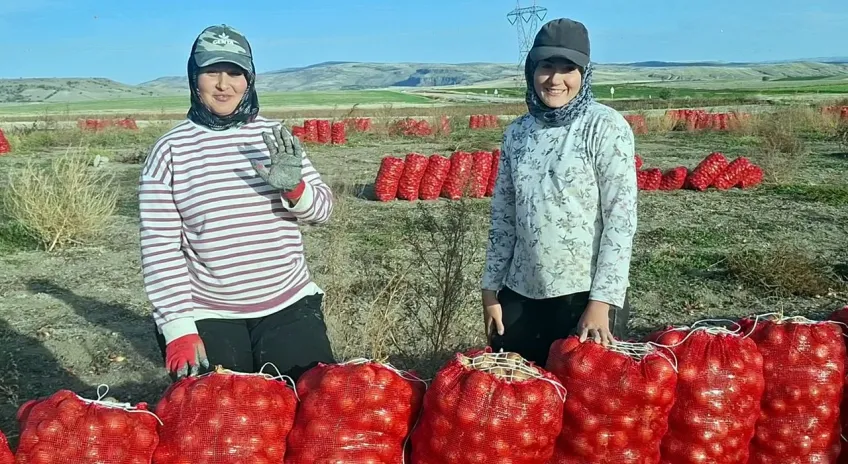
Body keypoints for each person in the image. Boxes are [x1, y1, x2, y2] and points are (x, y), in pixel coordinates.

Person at [138, 24, 336, 380]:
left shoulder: (273, 138)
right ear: (193, 77)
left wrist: (295, 188)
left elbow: (322, 211)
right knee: (222, 412)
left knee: (306, 400)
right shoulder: (170, 151)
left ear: (250, 78)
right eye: (211, 72)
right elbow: (159, 247)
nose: (223, 85)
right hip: (209, 311)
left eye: (234, 73)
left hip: (288, 303)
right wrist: (177, 326)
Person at [481, 18, 638, 367]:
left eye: (568, 68)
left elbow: (621, 219)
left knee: (586, 393)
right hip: (521, 293)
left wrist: (601, 302)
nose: (555, 80)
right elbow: (504, 215)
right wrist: (490, 289)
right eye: (546, 66)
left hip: (583, 296)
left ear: (584, 72)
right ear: (531, 70)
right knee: (519, 390)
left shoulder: (605, 127)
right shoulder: (517, 133)